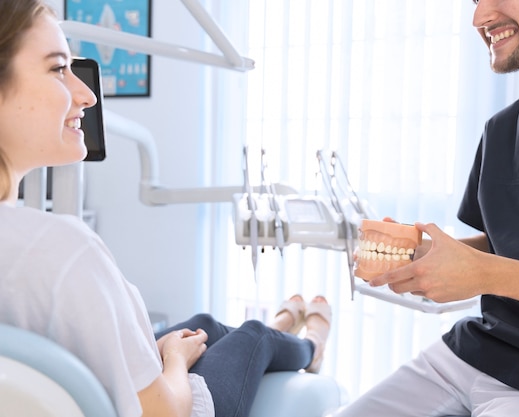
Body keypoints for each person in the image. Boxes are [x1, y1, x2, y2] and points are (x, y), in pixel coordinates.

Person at [0, 2, 332, 417]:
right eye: (57, 68)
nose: (86, 94)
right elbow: (164, 412)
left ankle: (282, 329)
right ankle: (310, 344)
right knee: (251, 336)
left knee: (204, 325)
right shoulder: (64, 249)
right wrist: (173, 361)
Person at [334, 0, 519, 416]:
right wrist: (425, 256)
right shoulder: (501, 130)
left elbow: (496, 268)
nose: (480, 17)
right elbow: (507, 242)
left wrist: (484, 274)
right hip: (476, 351)